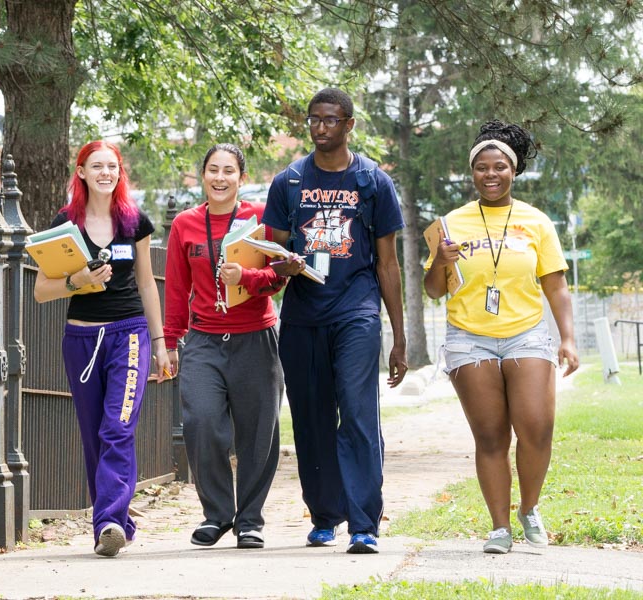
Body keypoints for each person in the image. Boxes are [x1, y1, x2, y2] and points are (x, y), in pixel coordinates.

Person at [261, 87, 408, 555]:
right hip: (303, 317)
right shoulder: (288, 182)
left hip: (357, 312)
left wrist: (398, 337)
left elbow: (388, 264)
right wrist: (284, 267)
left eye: (330, 119)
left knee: (359, 413)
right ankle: (325, 515)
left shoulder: (373, 182)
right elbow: (272, 253)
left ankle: (364, 523)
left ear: (349, 125)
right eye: (313, 120)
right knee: (311, 418)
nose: (320, 127)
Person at [424, 120, 579, 554]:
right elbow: (435, 290)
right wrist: (439, 259)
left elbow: (556, 285)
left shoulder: (536, 221)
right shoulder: (451, 223)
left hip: (526, 333)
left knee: (537, 428)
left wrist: (567, 338)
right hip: (469, 338)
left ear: (513, 171)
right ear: (471, 173)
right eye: (481, 168)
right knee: (491, 436)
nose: (490, 175)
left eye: (499, 167)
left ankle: (529, 508)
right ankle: (499, 527)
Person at [33, 140, 172, 558]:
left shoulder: (134, 222)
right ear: (81, 172)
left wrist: (161, 343)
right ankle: (114, 523)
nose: (105, 173)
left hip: (130, 335)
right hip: (81, 339)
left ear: (119, 172)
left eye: (112, 166)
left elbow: (147, 283)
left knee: (118, 427)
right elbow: (42, 291)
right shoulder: (65, 224)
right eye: (97, 166)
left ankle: (109, 520)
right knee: (94, 435)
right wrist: (80, 282)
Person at [163, 143, 300, 550]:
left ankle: (250, 520)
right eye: (212, 170)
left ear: (241, 177)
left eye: (228, 171)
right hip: (204, 339)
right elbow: (176, 288)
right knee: (202, 422)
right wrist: (170, 341)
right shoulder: (185, 225)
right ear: (202, 175)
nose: (220, 178)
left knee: (259, 433)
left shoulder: (259, 219)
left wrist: (246, 278)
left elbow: (281, 274)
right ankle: (217, 514)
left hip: (256, 337)